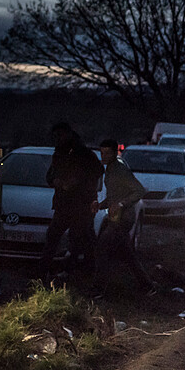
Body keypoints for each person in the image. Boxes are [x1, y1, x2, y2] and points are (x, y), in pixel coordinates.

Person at [91, 139, 156, 296]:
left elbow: (139, 190)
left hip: (123, 219)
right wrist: (100, 205)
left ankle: (98, 289)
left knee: (102, 247)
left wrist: (121, 204)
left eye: (107, 153)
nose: (104, 156)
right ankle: (148, 286)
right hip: (117, 218)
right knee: (127, 254)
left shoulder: (120, 169)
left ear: (115, 153)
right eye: (102, 153)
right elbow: (114, 196)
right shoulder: (110, 169)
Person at [40, 122, 104, 277]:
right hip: (65, 203)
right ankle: (47, 269)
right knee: (57, 236)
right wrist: (56, 181)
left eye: (60, 135)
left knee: (79, 238)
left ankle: (79, 270)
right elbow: (50, 175)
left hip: (81, 204)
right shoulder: (60, 153)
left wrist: (77, 183)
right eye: (56, 136)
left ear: (67, 134)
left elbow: (97, 171)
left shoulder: (83, 153)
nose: (57, 139)